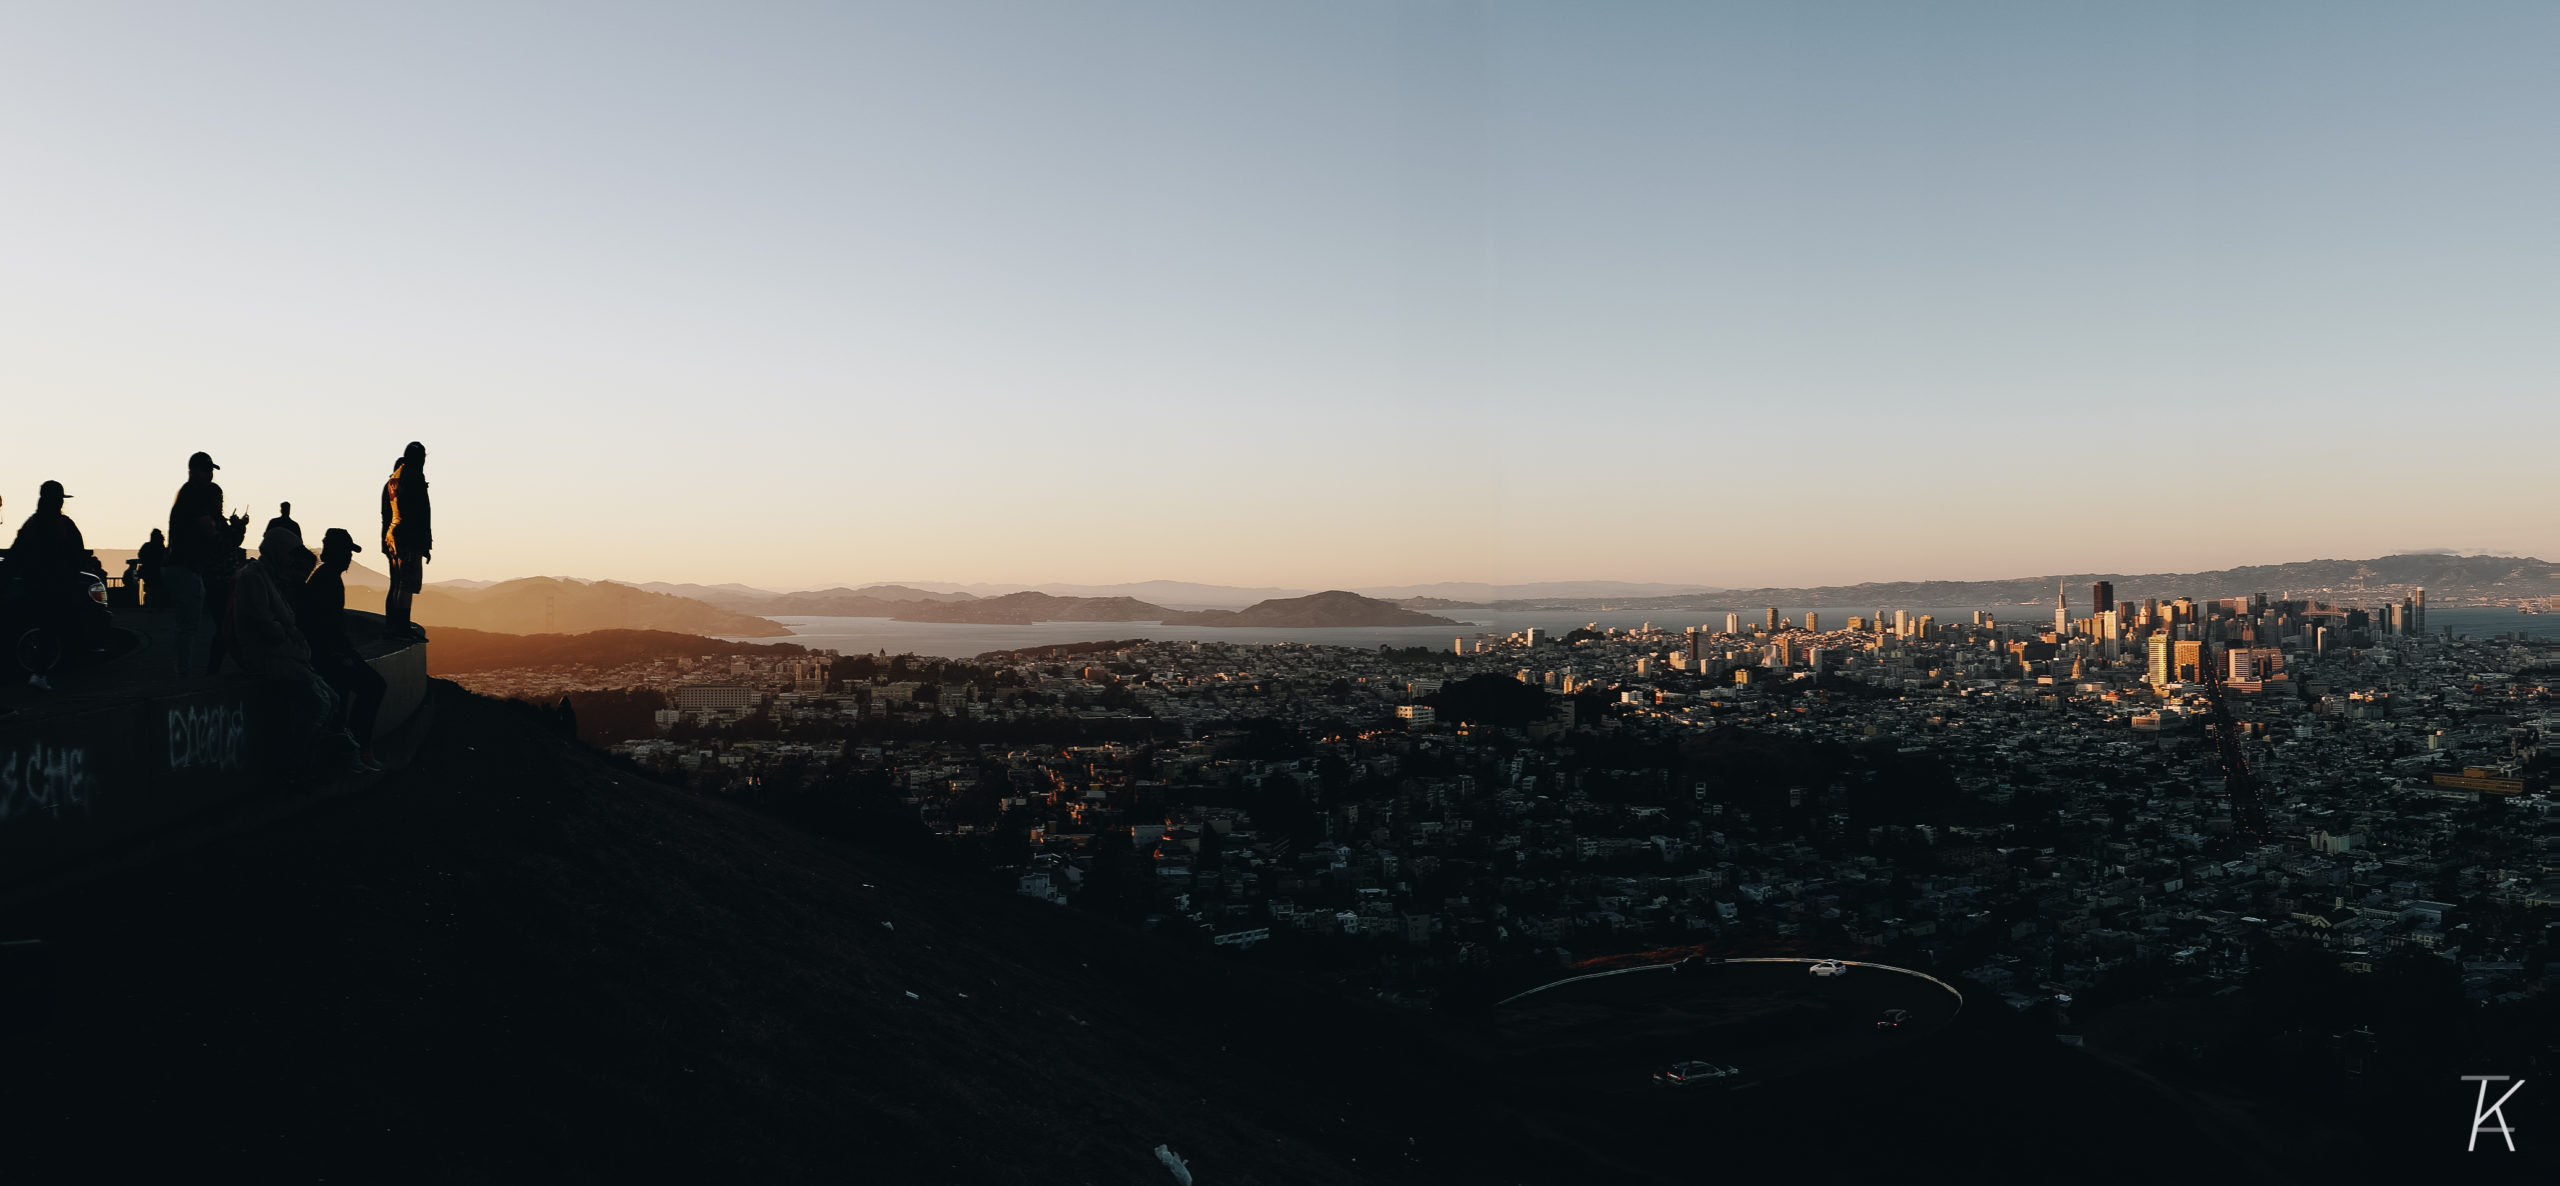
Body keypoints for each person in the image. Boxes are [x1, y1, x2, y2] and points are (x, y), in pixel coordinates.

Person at [232, 511, 361, 778]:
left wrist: (288, 632)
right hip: (268, 658)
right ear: (279, 552)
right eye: (290, 554)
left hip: (285, 656)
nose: (292, 560)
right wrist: (289, 633)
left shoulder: (271, 578)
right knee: (321, 704)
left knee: (332, 699)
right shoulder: (254, 578)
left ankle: (321, 761)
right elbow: (268, 627)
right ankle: (297, 766)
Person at [300, 527, 386, 770]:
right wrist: (343, 656)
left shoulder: (324, 577)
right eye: (347, 552)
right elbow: (326, 626)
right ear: (337, 553)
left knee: (351, 695)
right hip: (329, 657)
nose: (350, 558)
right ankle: (357, 749)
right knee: (374, 687)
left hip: (326, 655)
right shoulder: (329, 581)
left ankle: (349, 752)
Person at [166, 451, 227, 676]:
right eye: (206, 469)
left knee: (187, 621)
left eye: (211, 469)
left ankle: (183, 667)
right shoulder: (193, 494)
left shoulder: (187, 493)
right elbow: (208, 530)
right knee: (188, 623)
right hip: (185, 565)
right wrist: (222, 533)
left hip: (182, 565)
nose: (210, 474)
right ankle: (183, 671)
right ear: (193, 470)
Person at [380, 441, 431, 637]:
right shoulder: (413, 477)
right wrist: (425, 543)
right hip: (409, 537)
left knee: (397, 582)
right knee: (407, 584)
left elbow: (387, 514)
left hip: (394, 536)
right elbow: (421, 512)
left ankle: (394, 624)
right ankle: (401, 626)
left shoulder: (394, 479)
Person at [6, 481, 93, 577]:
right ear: (59, 502)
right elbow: (78, 555)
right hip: (61, 584)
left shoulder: (31, 524)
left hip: (34, 584)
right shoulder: (66, 525)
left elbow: (14, 558)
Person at [135, 528, 167, 608]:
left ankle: (151, 606)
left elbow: (140, 555)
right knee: (158, 589)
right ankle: (158, 606)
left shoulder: (147, 546)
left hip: (148, 570)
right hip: (158, 570)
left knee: (150, 589)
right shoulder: (161, 547)